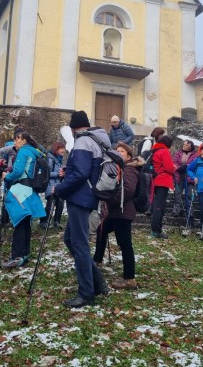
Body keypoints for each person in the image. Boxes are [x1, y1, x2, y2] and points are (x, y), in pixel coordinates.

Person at [53, 110, 109, 308]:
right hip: (86, 195)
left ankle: (87, 293)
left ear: (74, 127)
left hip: (80, 197)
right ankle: (99, 283)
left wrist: (60, 188)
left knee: (80, 245)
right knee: (70, 239)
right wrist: (68, 172)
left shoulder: (83, 141)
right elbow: (83, 171)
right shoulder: (97, 140)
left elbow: (82, 173)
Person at [93, 142, 141, 290]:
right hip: (115, 212)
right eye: (117, 151)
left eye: (122, 151)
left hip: (123, 212)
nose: (119, 153)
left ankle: (129, 278)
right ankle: (97, 261)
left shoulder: (130, 169)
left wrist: (110, 200)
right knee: (101, 231)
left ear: (129, 156)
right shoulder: (119, 167)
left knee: (125, 244)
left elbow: (128, 190)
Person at [1, 131, 46, 268]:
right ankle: (25, 254)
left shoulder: (23, 152)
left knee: (19, 222)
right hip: (30, 190)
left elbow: (18, 171)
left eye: (18, 139)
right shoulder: (35, 152)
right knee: (26, 222)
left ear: (24, 140)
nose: (15, 142)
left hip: (21, 189)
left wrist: (6, 176)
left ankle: (17, 256)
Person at [149, 135, 176, 239]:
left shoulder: (155, 150)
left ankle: (156, 228)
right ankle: (156, 230)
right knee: (159, 206)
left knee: (156, 205)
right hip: (163, 180)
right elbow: (169, 168)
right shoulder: (164, 151)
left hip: (155, 180)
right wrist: (174, 168)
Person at [40, 141, 66, 230]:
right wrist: (58, 174)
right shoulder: (50, 159)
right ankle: (44, 221)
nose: (63, 150)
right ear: (56, 149)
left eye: (64, 148)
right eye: (61, 148)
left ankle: (56, 221)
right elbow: (47, 173)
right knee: (50, 204)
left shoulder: (60, 159)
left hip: (58, 184)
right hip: (50, 184)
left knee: (60, 203)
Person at [172, 139, 198, 224]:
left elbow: (195, 163)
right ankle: (176, 210)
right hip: (179, 175)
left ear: (190, 146)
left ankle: (190, 212)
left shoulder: (195, 154)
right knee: (177, 193)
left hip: (189, 176)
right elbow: (174, 162)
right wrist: (179, 167)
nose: (184, 145)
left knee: (190, 194)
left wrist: (186, 166)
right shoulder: (178, 153)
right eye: (183, 144)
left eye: (186, 144)